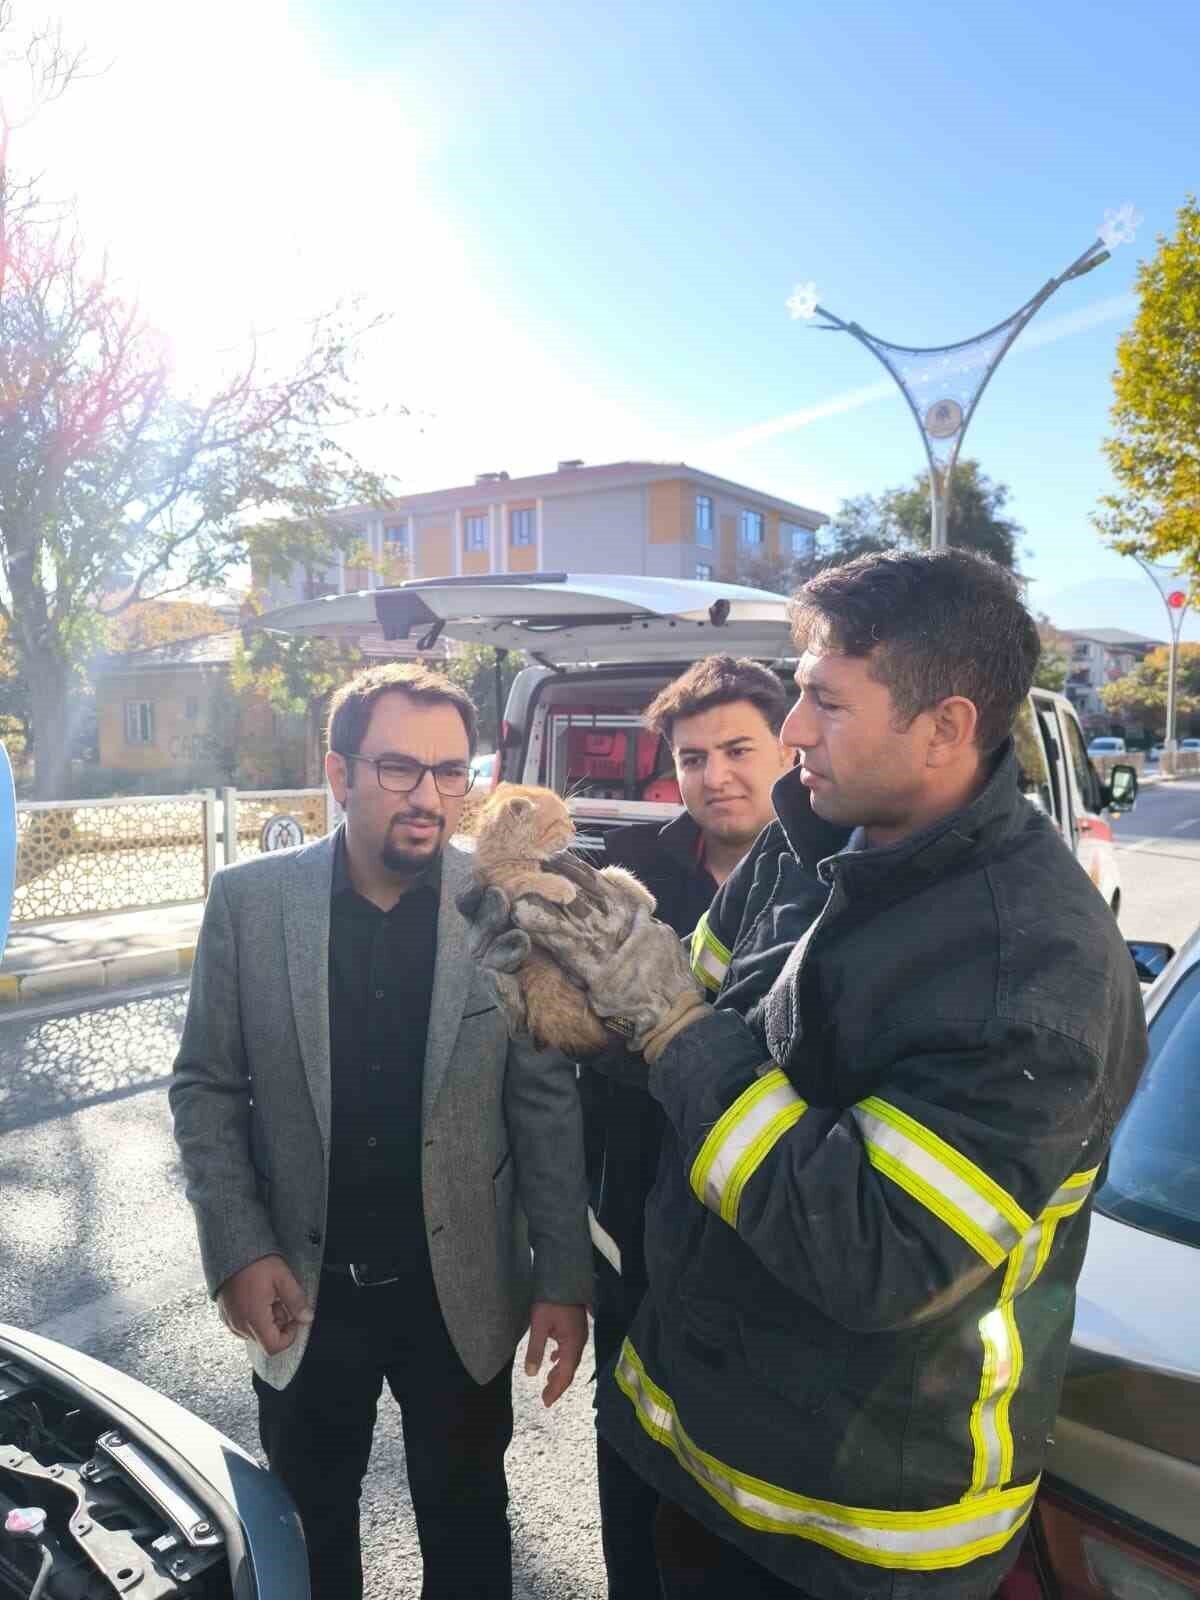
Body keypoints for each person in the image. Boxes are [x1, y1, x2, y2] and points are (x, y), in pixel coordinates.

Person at [471, 551, 1148, 1599]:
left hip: (855, 1535)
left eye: (827, 702)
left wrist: (669, 1023)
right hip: (698, 1459)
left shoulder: (1033, 965)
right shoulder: (806, 846)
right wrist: (578, 1005)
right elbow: (679, 1052)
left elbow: (873, 1252)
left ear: (946, 726)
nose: (792, 730)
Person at [170, 661, 591, 1600]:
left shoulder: (503, 904)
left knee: (469, 1527)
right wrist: (238, 1248)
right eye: (399, 768)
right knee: (307, 1537)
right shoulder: (250, 904)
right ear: (339, 773)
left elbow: (544, 1102)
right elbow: (206, 1088)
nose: (430, 797)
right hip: (303, 1292)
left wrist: (563, 1277)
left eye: (451, 772)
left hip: (462, 1293)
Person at [587, 655, 792, 1600]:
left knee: (737, 1518)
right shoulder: (626, 881)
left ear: (791, 748)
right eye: (693, 757)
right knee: (629, 1475)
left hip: (767, 1250)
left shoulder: (836, 883)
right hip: (633, 1236)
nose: (716, 776)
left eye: (739, 750)